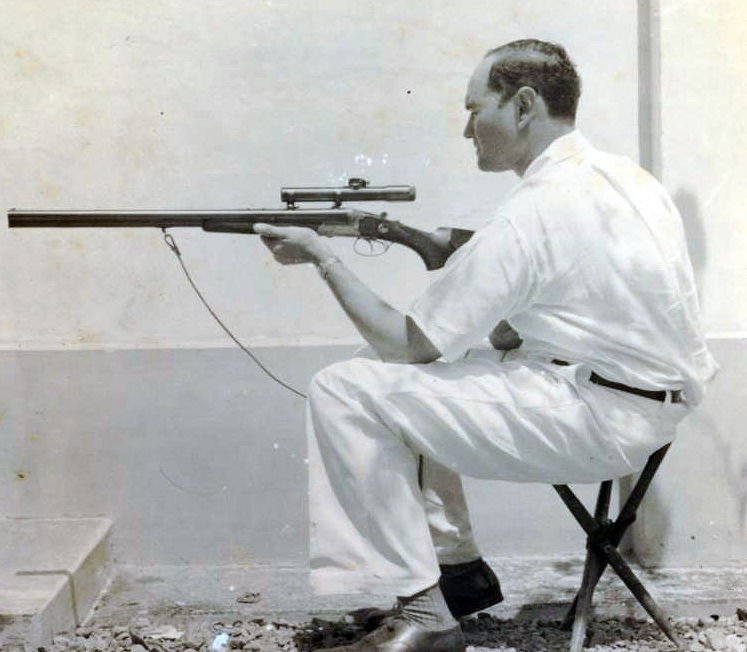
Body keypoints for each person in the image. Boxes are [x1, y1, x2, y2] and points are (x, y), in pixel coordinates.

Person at [254, 39, 718, 652]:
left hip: (596, 418)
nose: (466, 129)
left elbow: (409, 344)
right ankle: (456, 573)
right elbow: (588, 310)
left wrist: (322, 256)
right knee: (377, 375)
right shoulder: (627, 178)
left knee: (345, 388)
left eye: (475, 109)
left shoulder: (532, 212)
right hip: (646, 408)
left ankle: (424, 617)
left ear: (523, 106)